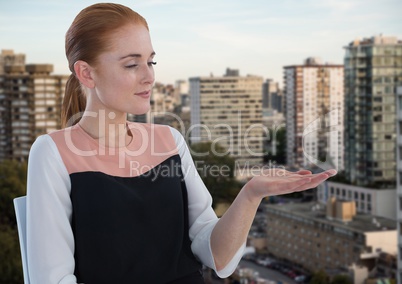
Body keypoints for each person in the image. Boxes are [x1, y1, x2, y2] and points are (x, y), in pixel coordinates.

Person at [26, 3, 336, 284]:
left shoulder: (169, 140)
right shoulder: (53, 152)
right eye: (132, 64)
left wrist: (252, 194)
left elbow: (218, 259)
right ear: (86, 73)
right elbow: (53, 279)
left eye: (151, 61)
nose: (149, 76)